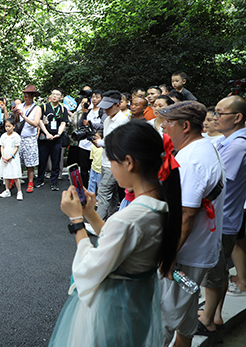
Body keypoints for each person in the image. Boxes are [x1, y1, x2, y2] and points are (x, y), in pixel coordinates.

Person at [48, 121, 182, 347]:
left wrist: (76, 221)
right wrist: (90, 213)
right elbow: (122, 242)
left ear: (129, 162)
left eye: (111, 160)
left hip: (110, 311)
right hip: (136, 305)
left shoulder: (130, 218)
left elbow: (88, 268)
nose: (110, 166)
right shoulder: (161, 203)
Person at [158, 101, 225, 347]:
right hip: (196, 251)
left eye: (168, 122)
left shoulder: (192, 160)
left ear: (185, 126)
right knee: (186, 309)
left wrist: (169, 254)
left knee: (164, 315)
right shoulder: (203, 147)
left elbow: (186, 214)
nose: (163, 126)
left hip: (185, 255)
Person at [197, 96, 246, 336]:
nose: (215, 117)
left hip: (222, 218)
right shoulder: (231, 141)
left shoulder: (237, 145)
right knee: (218, 271)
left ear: (237, 117)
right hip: (223, 217)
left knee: (213, 272)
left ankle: (207, 320)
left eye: (220, 113)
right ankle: (215, 316)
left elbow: (216, 181)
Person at [94, 90, 130, 221]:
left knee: (103, 191)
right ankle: (110, 219)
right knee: (112, 193)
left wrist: (100, 142)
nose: (105, 110)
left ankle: (96, 222)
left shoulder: (123, 120)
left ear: (118, 105)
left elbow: (120, 143)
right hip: (105, 160)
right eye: (104, 106)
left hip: (115, 163)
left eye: (109, 107)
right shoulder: (107, 120)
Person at [36, 87, 68, 191]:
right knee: (42, 159)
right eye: (53, 94)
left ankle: (54, 182)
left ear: (61, 97)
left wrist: (59, 133)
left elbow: (63, 122)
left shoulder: (63, 109)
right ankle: (40, 179)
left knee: (56, 160)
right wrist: (47, 133)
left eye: (57, 94)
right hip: (45, 138)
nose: (54, 96)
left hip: (57, 138)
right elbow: (39, 121)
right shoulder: (44, 107)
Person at [14, 85, 42, 193]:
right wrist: (16, 113)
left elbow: (35, 123)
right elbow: (17, 121)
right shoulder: (20, 105)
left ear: (33, 96)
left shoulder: (37, 108)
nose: (25, 97)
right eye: (24, 95)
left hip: (30, 138)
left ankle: (30, 182)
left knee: (30, 163)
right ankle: (15, 179)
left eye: (27, 96)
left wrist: (24, 116)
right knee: (17, 160)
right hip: (19, 136)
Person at [78, 90, 106, 187]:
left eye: (97, 97)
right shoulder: (88, 110)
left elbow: (104, 125)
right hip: (84, 144)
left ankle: (96, 191)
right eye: (93, 97)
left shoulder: (103, 111)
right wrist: (84, 114)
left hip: (96, 145)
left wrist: (90, 123)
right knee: (83, 169)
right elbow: (81, 124)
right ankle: (85, 189)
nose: (94, 99)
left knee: (96, 169)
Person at [0, 118, 23, 200]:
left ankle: (19, 191)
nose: (7, 128)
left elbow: (16, 147)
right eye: (6, 126)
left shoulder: (16, 136)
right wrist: (3, 156)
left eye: (9, 126)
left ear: (14, 126)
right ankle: (7, 190)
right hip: (4, 157)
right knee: (5, 174)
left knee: (15, 175)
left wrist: (10, 157)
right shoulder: (3, 136)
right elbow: (2, 146)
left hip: (13, 158)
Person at [87, 130, 103, 199]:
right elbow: (92, 157)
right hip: (93, 167)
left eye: (97, 137)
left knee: (100, 185)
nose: (95, 138)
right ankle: (90, 196)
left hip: (100, 169)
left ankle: (99, 198)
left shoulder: (103, 148)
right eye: (95, 137)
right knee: (91, 183)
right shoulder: (93, 147)